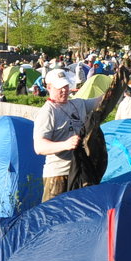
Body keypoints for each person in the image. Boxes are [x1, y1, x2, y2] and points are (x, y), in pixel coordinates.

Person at [33, 68, 101, 202]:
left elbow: (100, 102)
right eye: (60, 88)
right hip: (57, 175)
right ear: (49, 87)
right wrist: (66, 144)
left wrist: (118, 88)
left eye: (66, 86)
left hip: (79, 171)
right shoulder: (47, 113)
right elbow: (39, 147)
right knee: (53, 216)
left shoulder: (78, 104)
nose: (64, 90)